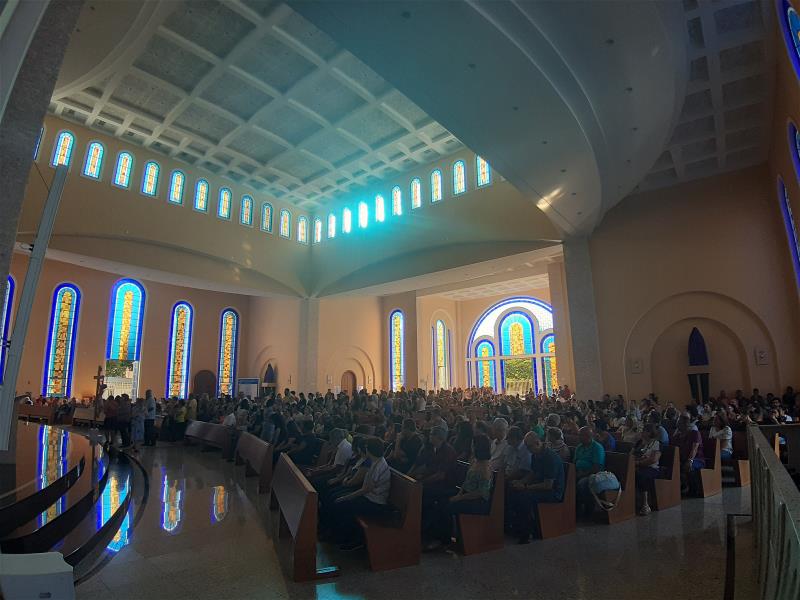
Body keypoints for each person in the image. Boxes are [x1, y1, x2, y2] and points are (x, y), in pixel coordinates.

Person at [427, 434, 494, 550]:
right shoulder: (475, 461)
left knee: (447, 507)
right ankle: (438, 537)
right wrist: (459, 494)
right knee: (440, 502)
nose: (471, 447)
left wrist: (459, 498)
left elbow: (480, 493)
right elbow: (466, 482)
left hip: (478, 502)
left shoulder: (485, 467)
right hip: (466, 495)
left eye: (473, 445)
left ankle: (444, 540)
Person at [333, 437, 392, 551]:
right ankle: (341, 535)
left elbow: (365, 489)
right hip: (369, 498)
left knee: (343, 504)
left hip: (376, 503)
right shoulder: (376, 462)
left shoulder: (378, 465)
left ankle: (353, 539)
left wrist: (346, 497)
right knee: (339, 499)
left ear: (369, 449)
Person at [509, 432, 565, 543]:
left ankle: (527, 533)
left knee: (525, 497)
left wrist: (526, 486)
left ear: (538, 443)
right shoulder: (535, 454)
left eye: (529, 446)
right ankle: (515, 526)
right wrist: (521, 482)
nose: (528, 449)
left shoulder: (550, 457)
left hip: (553, 492)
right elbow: (533, 473)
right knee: (513, 491)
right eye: (526, 446)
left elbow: (548, 485)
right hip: (541, 487)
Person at [574, 426, 606, 516]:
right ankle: (573, 508)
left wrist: (582, 474)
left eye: (581, 435)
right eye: (579, 435)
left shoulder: (597, 448)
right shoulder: (579, 447)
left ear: (588, 436)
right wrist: (574, 473)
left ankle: (589, 509)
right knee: (567, 480)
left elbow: (597, 468)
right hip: (580, 472)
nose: (579, 437)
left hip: (594, 475)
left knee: (582, 483)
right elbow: (575, 462)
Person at [672, 415, 704, 494]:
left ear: (686, 424)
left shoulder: (695, 433)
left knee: (689, 466)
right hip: (682, 459)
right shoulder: (677, 436)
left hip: (696, 459)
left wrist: (690, 460)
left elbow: (694, 449)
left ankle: (694, 489)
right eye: (677, 423)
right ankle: (680, 487)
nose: (677, 425)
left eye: (679, 423)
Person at [633, 424, 661, 516]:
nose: (642, 432)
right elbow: (631, 454)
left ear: (649, 432)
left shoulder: (656, 443)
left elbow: (653, 459)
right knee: (629, 473)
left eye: (644, 430)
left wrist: (638, 463)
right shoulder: (640, 442)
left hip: (652, 468)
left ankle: (645, 504)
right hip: (637, 465)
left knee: (641, 475)